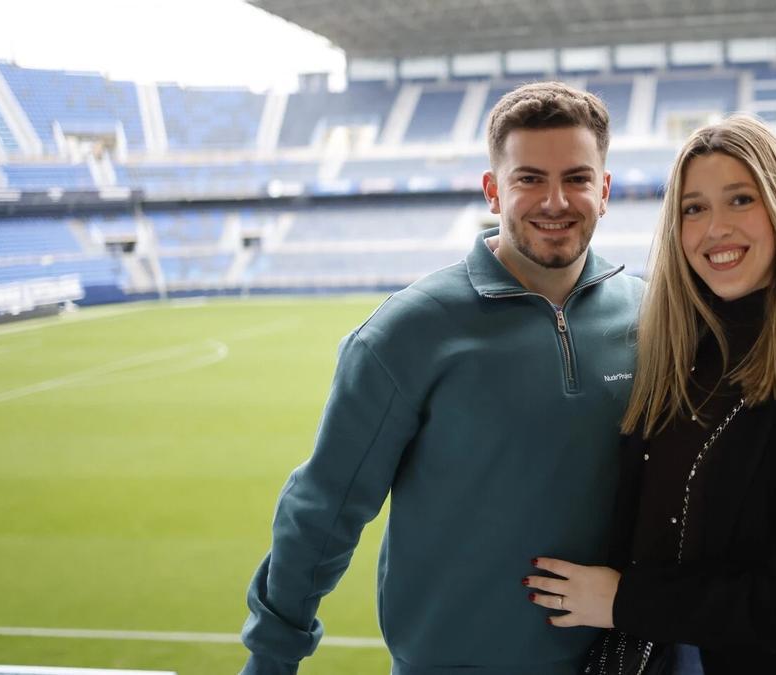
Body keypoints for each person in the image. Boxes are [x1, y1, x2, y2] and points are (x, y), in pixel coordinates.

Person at [241, 82, 643, 674]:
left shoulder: (651, 312)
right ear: (492, 191)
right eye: (529, 178)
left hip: (617, 662)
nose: (555, 201)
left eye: (577, 179)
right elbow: (324, 508)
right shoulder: (410, 331)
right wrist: (272, 658)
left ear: (604, 191)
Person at [524, 115, 776, 674]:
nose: (715, 229)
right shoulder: (673, 348)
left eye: (740, 200)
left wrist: (621, 600)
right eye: (694, 208)